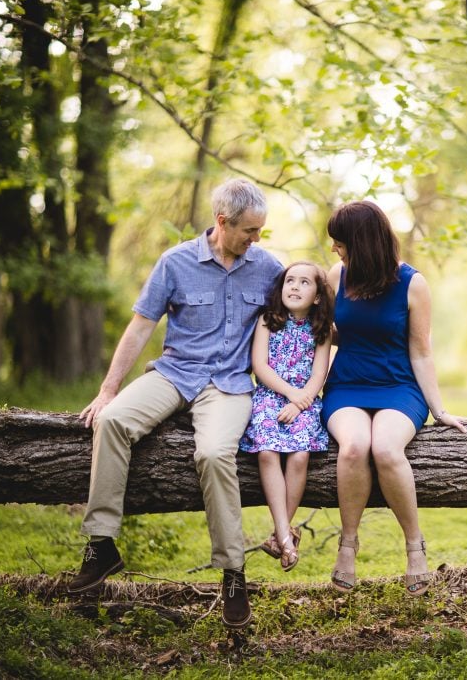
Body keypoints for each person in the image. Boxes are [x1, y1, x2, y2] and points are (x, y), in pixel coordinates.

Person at [67, 178, 283, 630]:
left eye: (260, 231)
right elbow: (141, 328)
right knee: (112, 421)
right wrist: (108, 389)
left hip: (229, 385)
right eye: (250, 231)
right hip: (174, 373)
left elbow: (303, 313)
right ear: (222, 222)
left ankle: (232, 573)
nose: (256, 239)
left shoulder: (267, 268)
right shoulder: (176, 262)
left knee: (214, 453)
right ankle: (101, 544)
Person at [321, 200, 467, 597]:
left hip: (399, 387)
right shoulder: (337, 275)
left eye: (341, 241)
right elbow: (329, 335)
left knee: (386, 448)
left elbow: (420, 351)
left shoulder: (412, 283)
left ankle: (414, 547)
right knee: (353, 447)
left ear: (362, 242)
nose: (334, 248)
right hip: (347, 384)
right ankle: (348, 545)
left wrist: (438, 409)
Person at [238, 261, 334, 572]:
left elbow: (319, 373)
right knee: (267, 453)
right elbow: (260, 366)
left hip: (305, 403)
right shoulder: (268, 320)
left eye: (304, 282)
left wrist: (300, 401)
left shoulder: (321, 329)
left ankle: (280, 535)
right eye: (290, 281)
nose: (294, 286)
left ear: (317, 296)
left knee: (299, 456)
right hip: (268, 398)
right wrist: (290, 395)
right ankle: (286, 536)